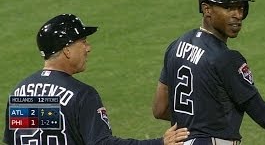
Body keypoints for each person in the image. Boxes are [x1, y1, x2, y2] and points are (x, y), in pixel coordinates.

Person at [152, 0, 265, 145]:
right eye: (228, 7)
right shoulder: (226, 59)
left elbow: (160, 109)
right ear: (207, 9)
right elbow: (261, 113)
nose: (237, 15)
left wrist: (195, 123)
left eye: (240, 7)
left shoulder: (176, 46)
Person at [3, 13, 189, 145]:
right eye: (82, 42)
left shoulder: (19, 93)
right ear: (67, 50)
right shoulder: (81, 95)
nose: (88, 48)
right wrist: (159, 143)